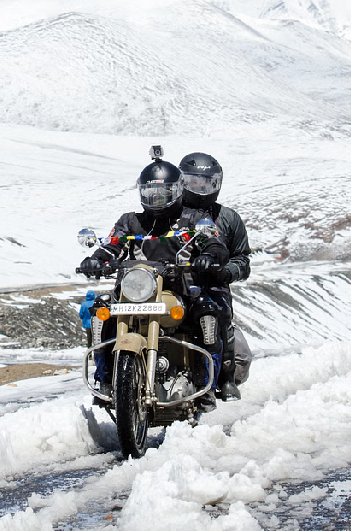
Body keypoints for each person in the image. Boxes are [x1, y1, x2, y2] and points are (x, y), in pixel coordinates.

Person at [76, 154, 230, 415]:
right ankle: (104, 379)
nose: (156, 199)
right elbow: (113, 245)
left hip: (178, 291)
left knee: (208, 312)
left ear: (178, 190)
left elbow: (213, 242)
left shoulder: (193, 220)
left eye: (162, 193)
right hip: (132, 294)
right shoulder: (130, 221)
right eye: (150, 193)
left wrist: (209, 255)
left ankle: (207, 385)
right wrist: (97, 259)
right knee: (99, 311)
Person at [178, 152, 253, 401]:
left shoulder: (229, 218)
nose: (201, 188)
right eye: (194, 182)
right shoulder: (170, 216)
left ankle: (226, 377)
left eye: (207, 182)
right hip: (174, 284)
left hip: (212, 286)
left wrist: (223, 272)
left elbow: (242, 260)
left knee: (220, 314)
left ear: (217, 183)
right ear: (181, 182)